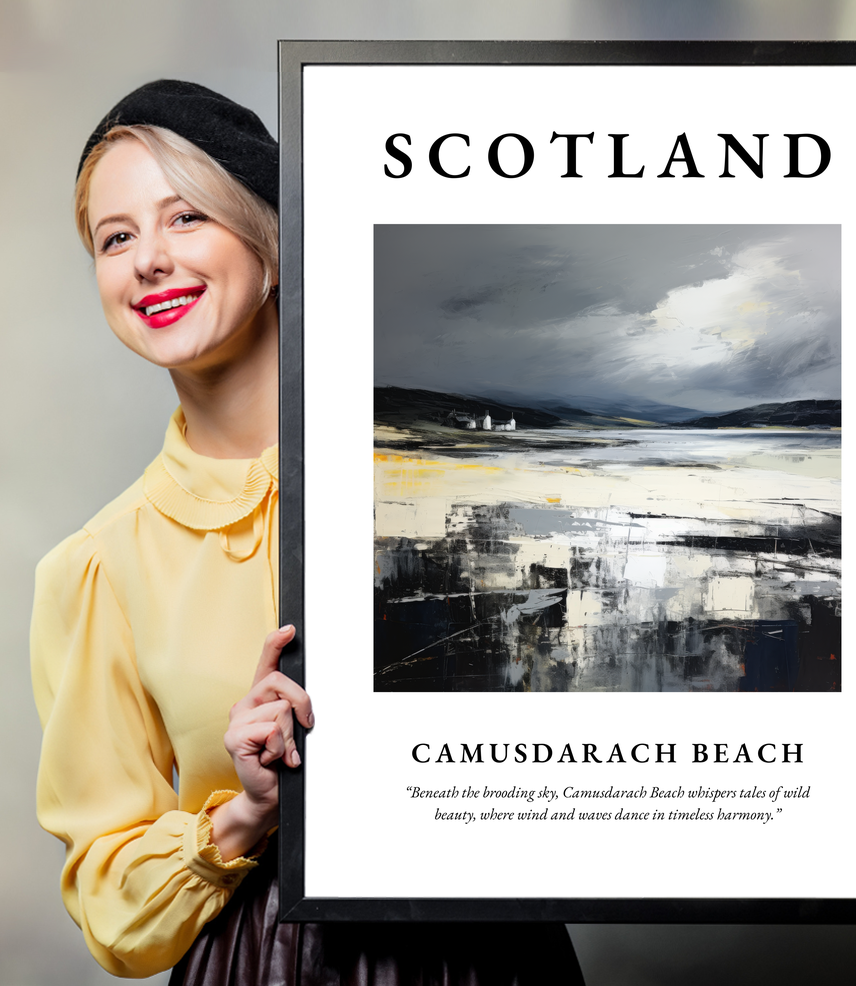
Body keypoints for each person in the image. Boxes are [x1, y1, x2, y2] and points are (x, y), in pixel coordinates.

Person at [30, 80, 586, 984]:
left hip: (491, 953)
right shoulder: (97, 567)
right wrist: (245, 812)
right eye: (116, 237)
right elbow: (110, 903)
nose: (148, 261)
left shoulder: (459, 481)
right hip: (262, 961)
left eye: (185, 218)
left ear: (273, 243)